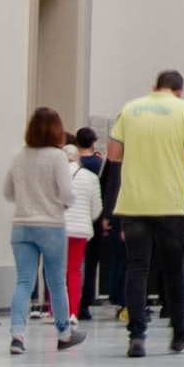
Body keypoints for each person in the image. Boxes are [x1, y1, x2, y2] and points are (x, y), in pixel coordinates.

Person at [105, 69, 184, 358]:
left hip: (133, 202)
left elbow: (113, 154)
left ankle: (136, 336)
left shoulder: (130, 108)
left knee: (136, 267)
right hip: (170, 203)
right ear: (179, 91)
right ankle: (179, 332)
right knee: (174, 270)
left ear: (154, 87)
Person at [2, 107, 82, 355]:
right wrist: (65, 202)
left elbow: (8, 192)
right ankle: (64, 333)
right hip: (51, 225)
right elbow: (67, 193)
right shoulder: (58, 157)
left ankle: (17, 335)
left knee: (24, 281)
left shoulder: (19, 155)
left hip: (22, 225)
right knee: (57, 281)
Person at [73, 126, 108, 319]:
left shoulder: (73, 163)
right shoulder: (99, 163)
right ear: (94, 142)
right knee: (92, 263)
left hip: (73, 216)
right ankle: (86, 303)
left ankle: (72, 303)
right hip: (92, 217)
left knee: (73, 265)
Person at [64, 141, 102, 319]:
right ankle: (73, 311)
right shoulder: (91, 177)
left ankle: (54, 310)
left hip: (58, 229)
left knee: (56, 271)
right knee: (74, 270)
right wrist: (88, 219)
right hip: (80, 230)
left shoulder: (57, 175)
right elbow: (97, 209)